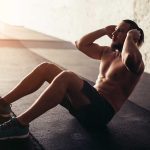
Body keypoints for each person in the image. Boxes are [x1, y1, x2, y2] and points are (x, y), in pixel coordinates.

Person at [0, 19, 144, 140]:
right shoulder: (107, 52)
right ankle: (3, 104)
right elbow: (80, 44)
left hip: (100, 114)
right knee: (47, 68)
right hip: (84, 104)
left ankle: (20, 125)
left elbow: (130, 59)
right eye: (116, 29)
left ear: (132, 35)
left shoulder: (136, 61)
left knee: (67, 77)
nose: (114, 33)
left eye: (120, 31)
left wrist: (131, 37)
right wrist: (103, 31)